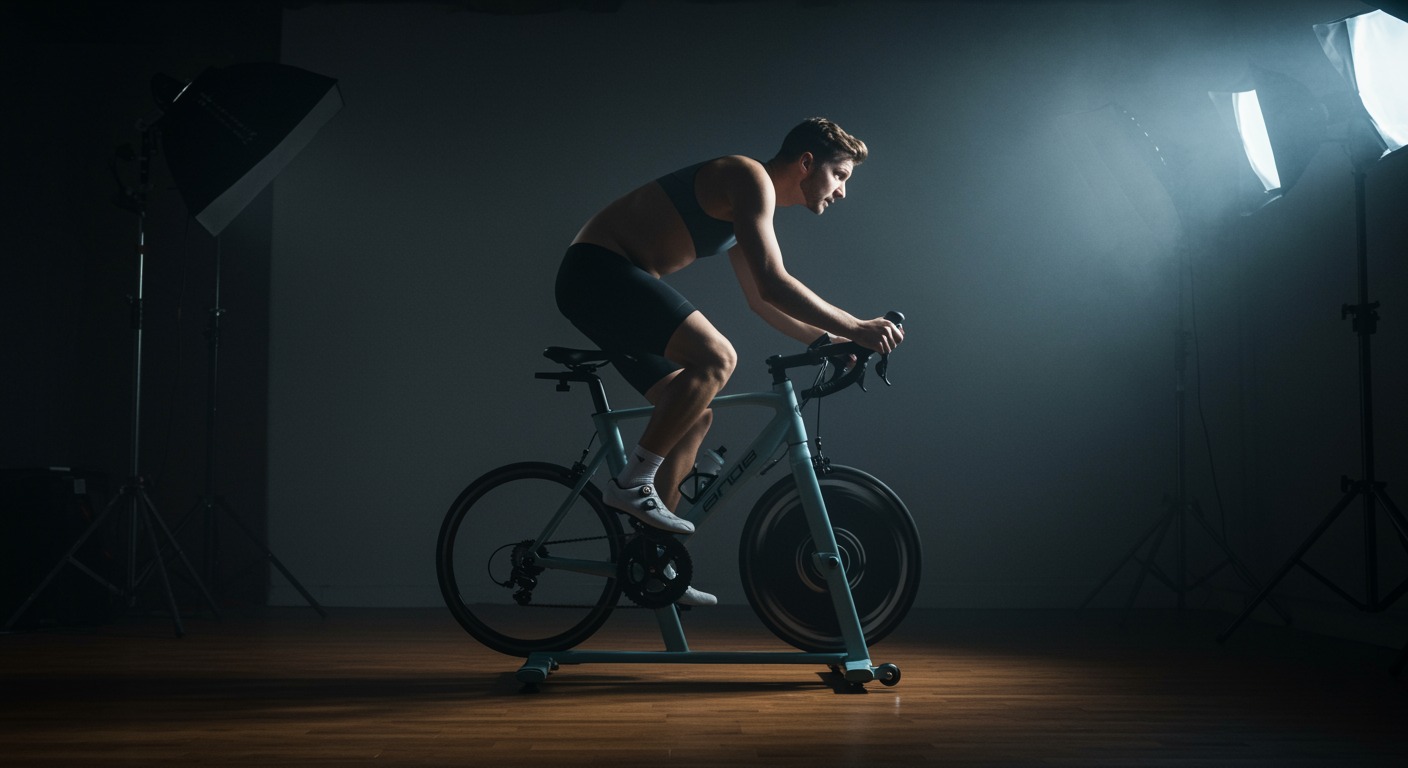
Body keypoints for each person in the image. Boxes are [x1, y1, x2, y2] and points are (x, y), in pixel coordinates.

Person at [554, 117, 904, 605]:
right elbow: (774, 283)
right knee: (718, 357)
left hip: (608, 285)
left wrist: (828, 341)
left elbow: (761, 301)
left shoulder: (752, 201)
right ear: (807, 163)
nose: (843, 191)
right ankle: (632, 483)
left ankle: (654, 560)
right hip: (598, 273)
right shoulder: (748, 176)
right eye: (840, 175)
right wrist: (857, 327)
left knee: (693, 418)